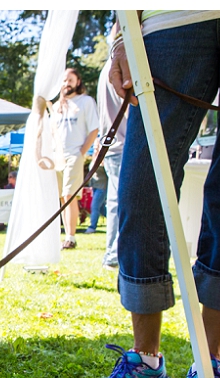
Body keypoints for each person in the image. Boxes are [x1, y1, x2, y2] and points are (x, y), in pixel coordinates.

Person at [80, 11, 220, 378]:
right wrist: (121, 38)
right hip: (169, 18)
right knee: (141, 187)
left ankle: (208, 367)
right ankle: (145, 363)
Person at [52, 68, 99, 250]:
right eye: (64, 80)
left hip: (74, 154)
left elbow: (94, 129)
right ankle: (67, 235)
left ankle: (71, 237)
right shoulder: (56, 107)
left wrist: (81, 152)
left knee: (70, 195)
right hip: (57, 157)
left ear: (78, 82)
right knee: (62, 197)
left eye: (70, 80)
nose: (67, 84)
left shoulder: (86, 102)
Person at [96, 53, 128, 271]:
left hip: (111, 144)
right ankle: (114, 255)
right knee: (120, 203)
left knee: (115, 201)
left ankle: (112, 254)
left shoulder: (106, 69)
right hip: (123, 143)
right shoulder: (124, 64)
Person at [85, 163, 107, 234]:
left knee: (94, 207)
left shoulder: (104, 159)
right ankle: (117, 220)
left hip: (102, 187)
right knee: (102, 209)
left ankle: (92, 227)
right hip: (95, 187)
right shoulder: (93, 159)